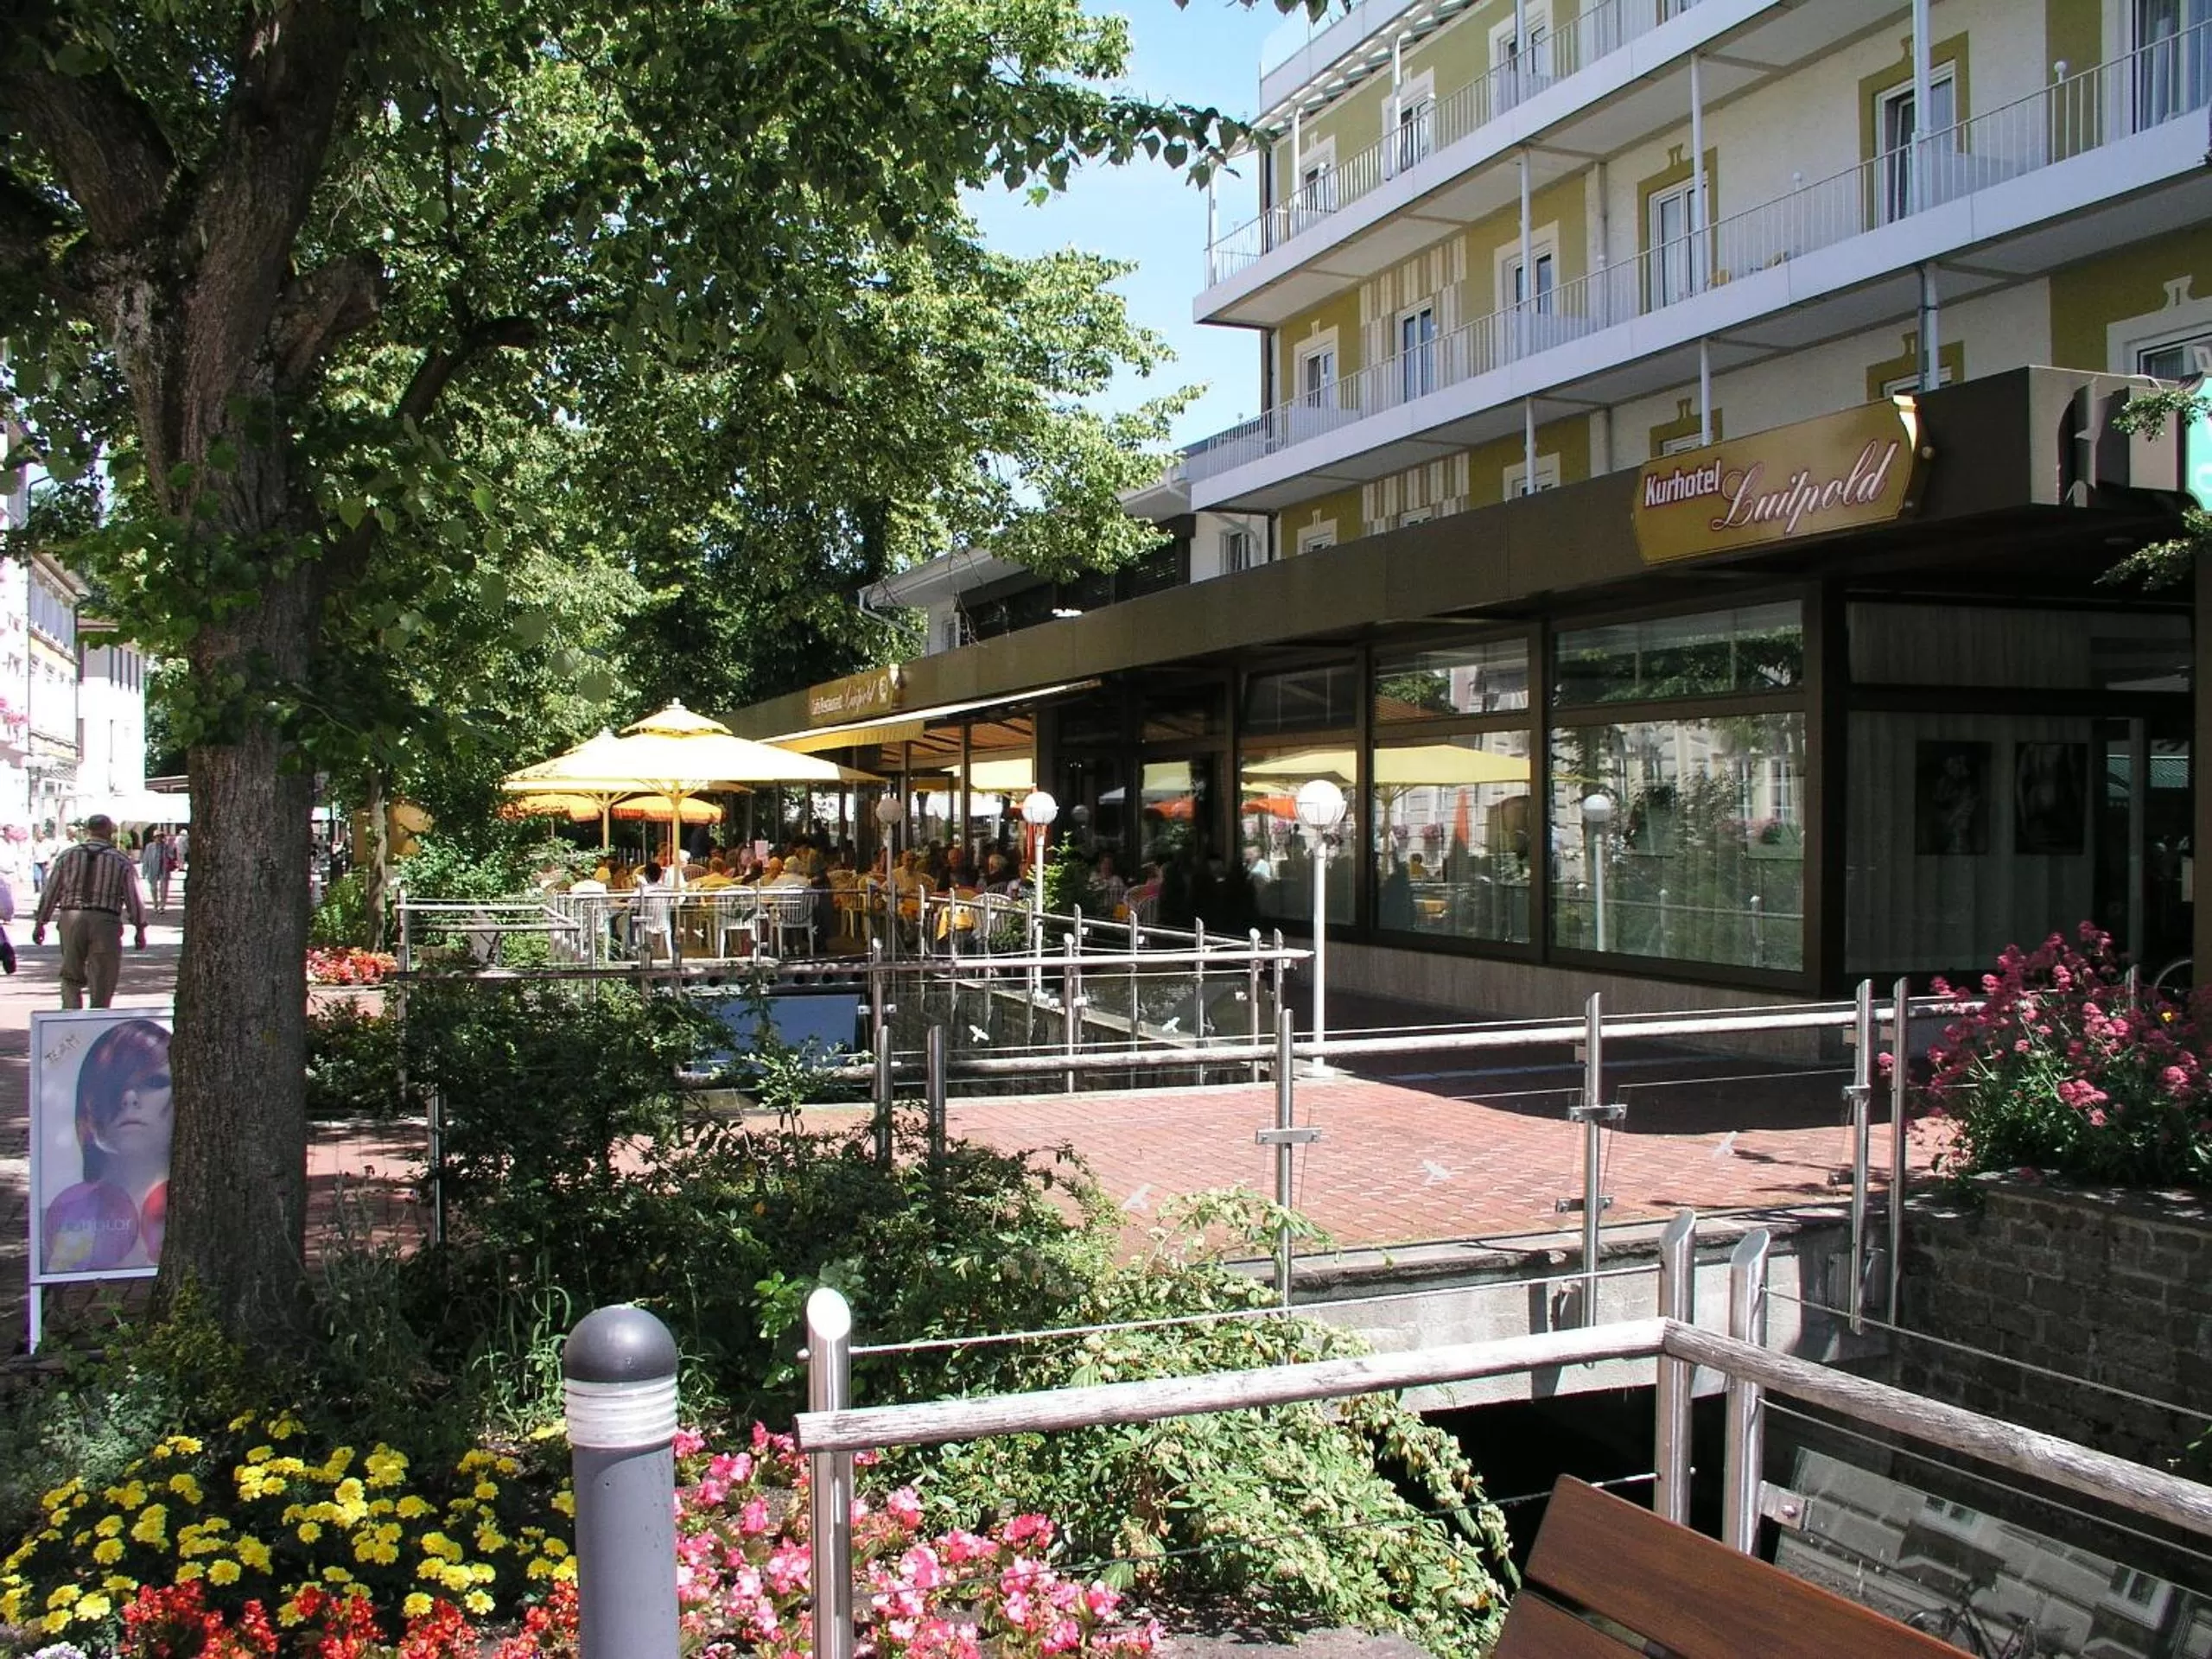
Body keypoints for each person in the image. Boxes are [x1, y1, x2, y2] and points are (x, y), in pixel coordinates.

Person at [41, 1018, 173, 1273]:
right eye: (113, 1084)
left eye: (153, 1083)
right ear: (86, 1109)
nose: (129, 1098)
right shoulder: (70, 1217)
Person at [31, 815, 149, 1008]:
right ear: (109, 831)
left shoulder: (67, 856)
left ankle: (71, 1015)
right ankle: (98, 1016)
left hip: (71, 917)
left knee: (70, 973)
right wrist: (139, 927)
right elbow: (133, 896)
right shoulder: (120, 859)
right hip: (105, 919)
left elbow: (51, 891)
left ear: (88, 830)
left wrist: (41, 922)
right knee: (103, 975)